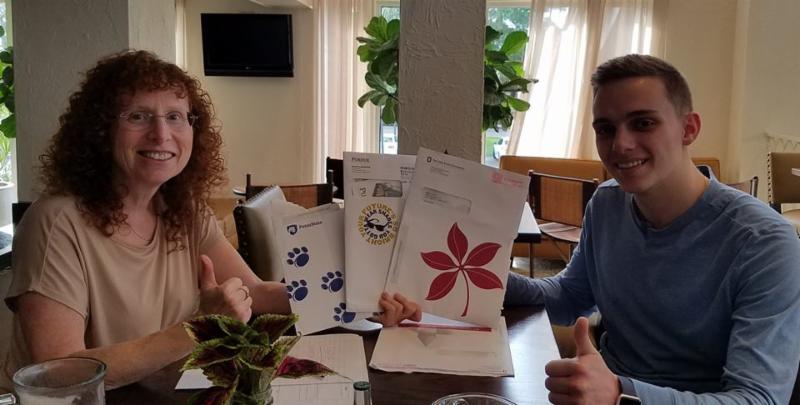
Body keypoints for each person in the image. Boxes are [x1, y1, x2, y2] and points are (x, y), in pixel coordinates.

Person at [0, 50, 420, 392]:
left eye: (176, 116)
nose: (161, 134)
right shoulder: (56, 223)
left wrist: (358, 297)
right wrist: (197, 329)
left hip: (160, 392)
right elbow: (58, 371)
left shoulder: (183, 210)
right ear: (99, 130)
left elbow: (256, 292)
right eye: (138, 116)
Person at [505, 54, 800, 404]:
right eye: (606, 129)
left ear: (688, 129)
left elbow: (758, 399)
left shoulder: (765, 242)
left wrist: (620, 394)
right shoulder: (606, 203)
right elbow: (570, 297)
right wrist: (491, 280)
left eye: (643, 123)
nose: (620, 144)